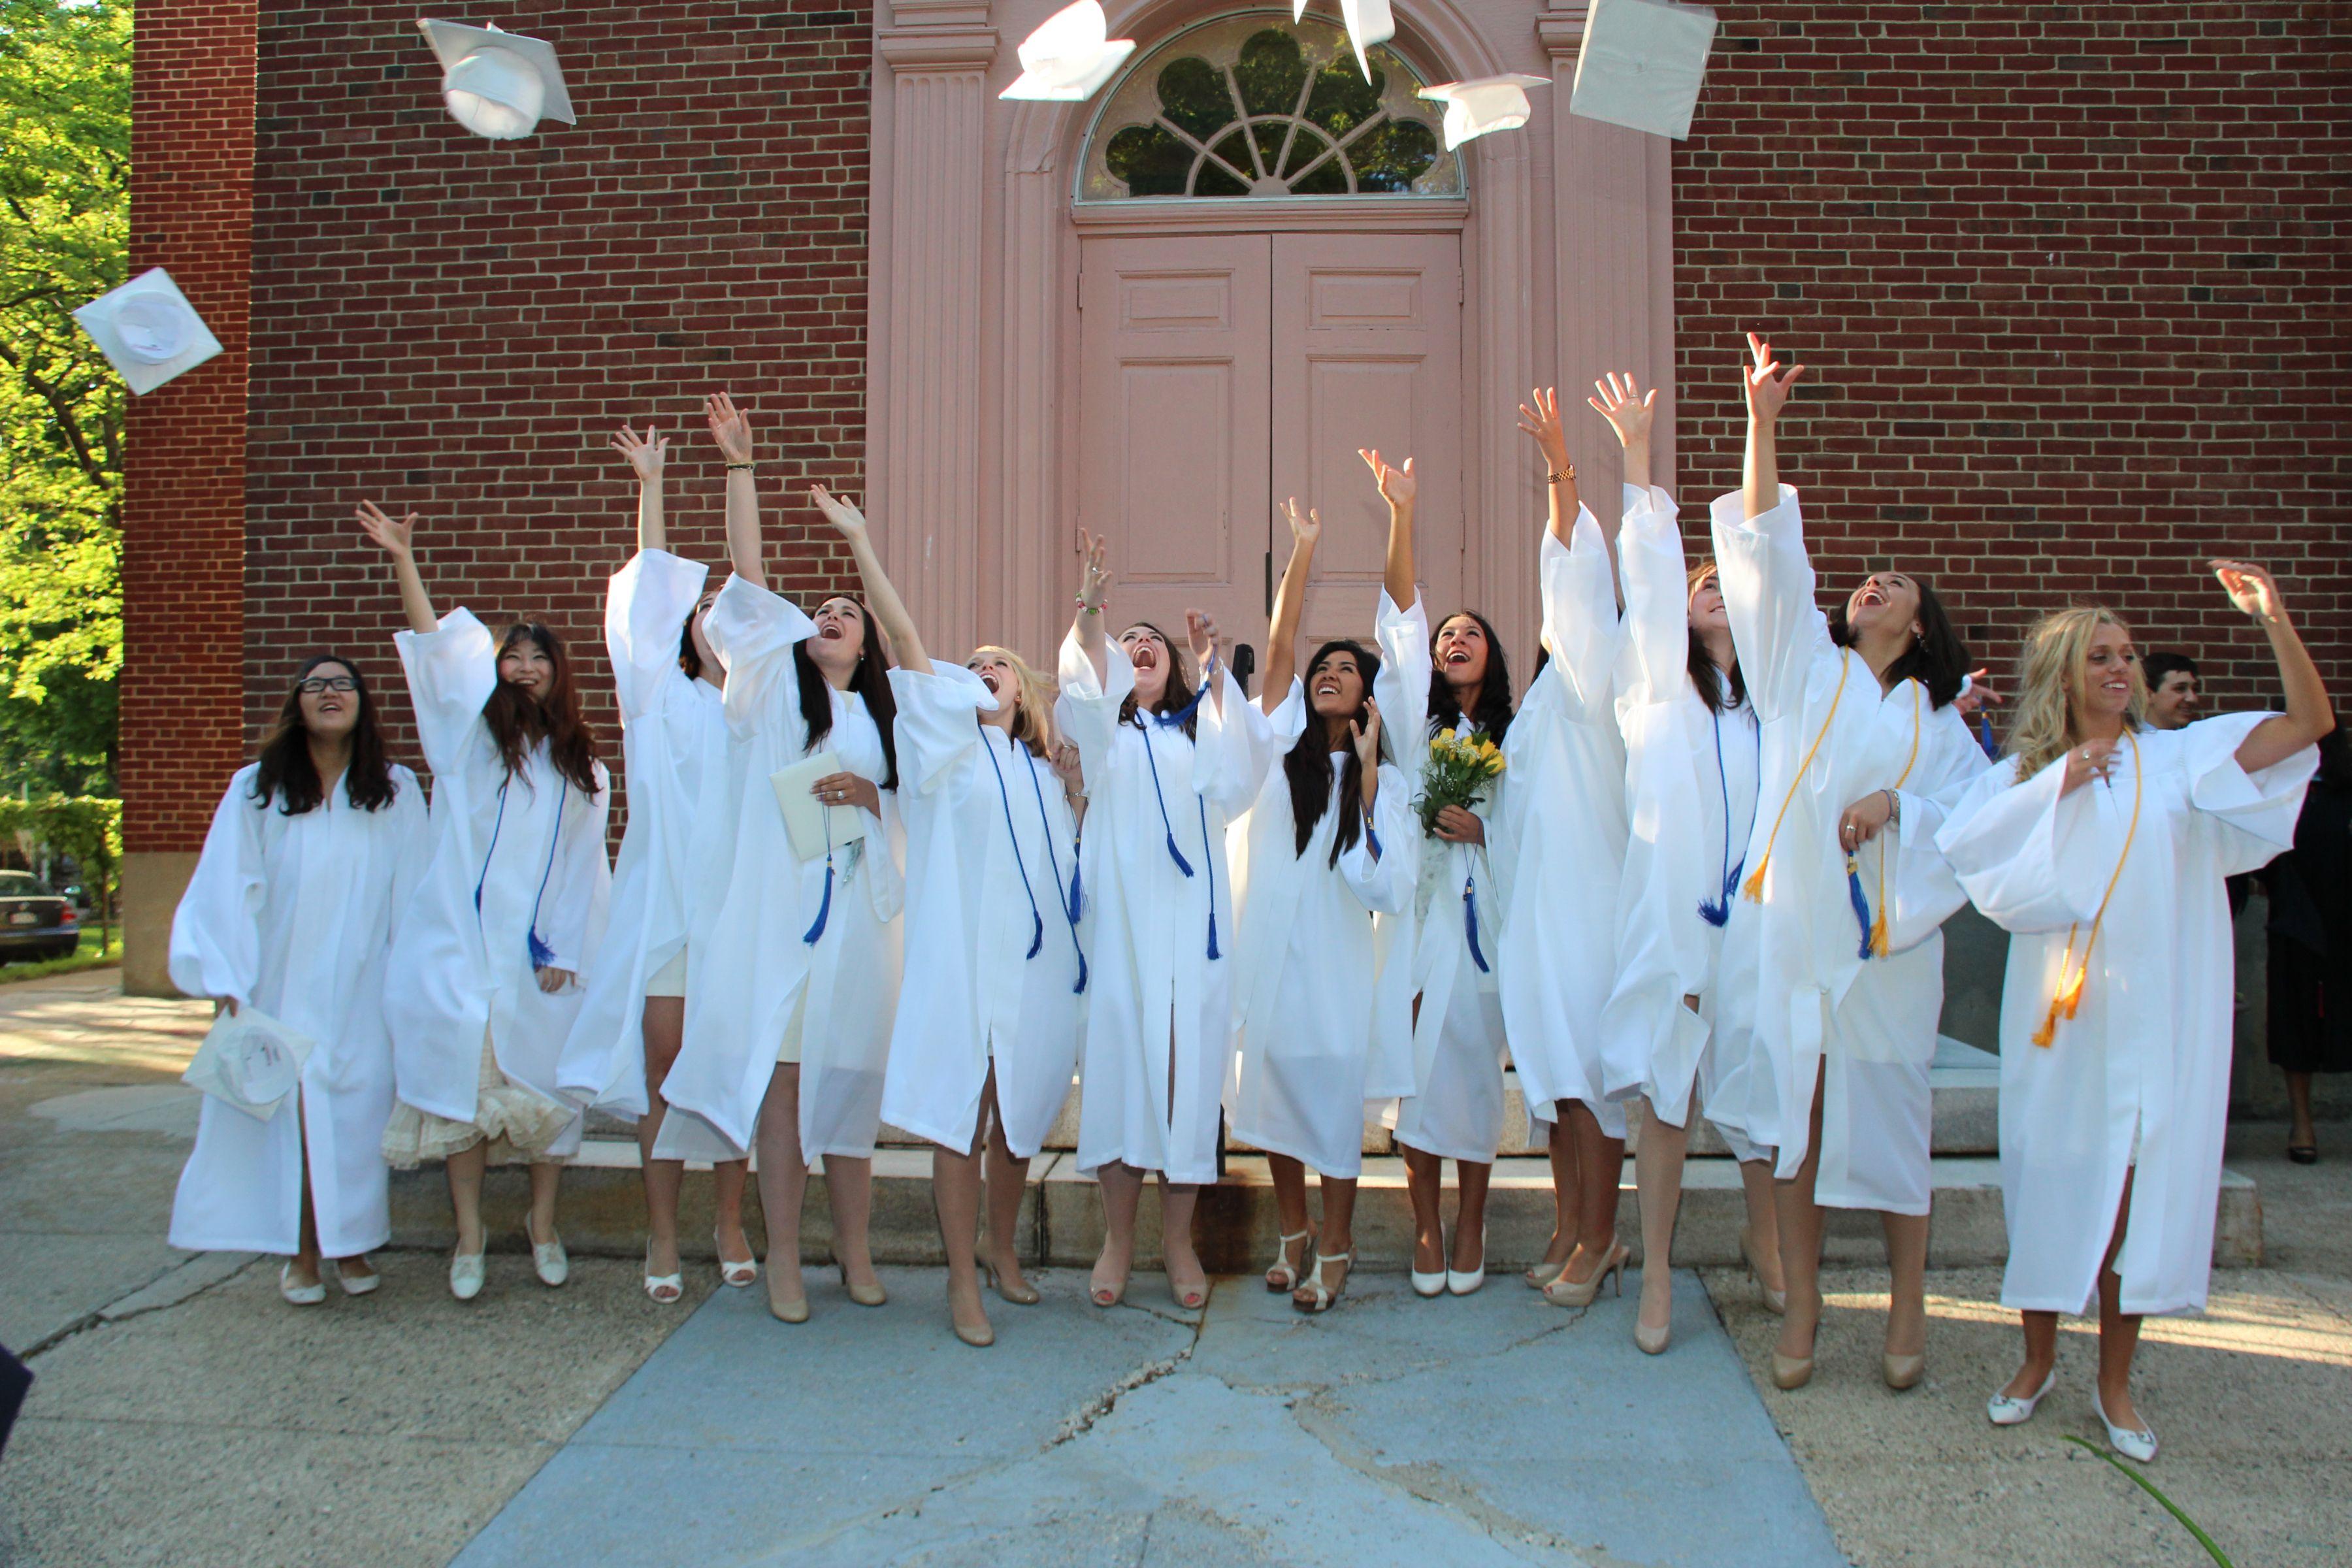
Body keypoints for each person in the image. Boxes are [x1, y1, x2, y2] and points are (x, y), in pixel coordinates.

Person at [1938, 567, 2330, 1460]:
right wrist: (2061, 783)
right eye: (2100, 657)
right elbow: (1976, 861)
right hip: (2062, 1015)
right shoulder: (2022, 773)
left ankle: (2115, 1383)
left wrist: (2275, 618)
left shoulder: (2182, 760)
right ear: (2063, 673)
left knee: (2137, 1193)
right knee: (2049, 1177)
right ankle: (2037, 1362)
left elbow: (2308, 726)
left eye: (2127, 655)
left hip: (2160, 1008)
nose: (2121, 669)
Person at [1712, 335, 1990, 1391]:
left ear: (1922, 625)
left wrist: (1897, 806)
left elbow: (1973, 820)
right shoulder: (1803, 667)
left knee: (1892, 1118)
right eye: (1869, 576)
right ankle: (1806, 1304)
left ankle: (1908, 1303)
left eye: (1897, 582)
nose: (1874, 582)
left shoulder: (1940, 725)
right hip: (1799, 928)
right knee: (1798, 1113)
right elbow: (1767, 555)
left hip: (1891, 944)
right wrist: (1762, 424)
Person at [654, 393, 905, 1325]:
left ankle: (855, 1249)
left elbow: (916, 814)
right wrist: (741, 469)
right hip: (783, 923)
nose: (832, 615)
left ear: (866, 643)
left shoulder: (882, 718)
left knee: (851, 1092)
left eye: (848, 612)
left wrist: (873, 798)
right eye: (822, 610)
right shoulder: (772, 696)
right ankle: (788, 1256)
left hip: (858, 931)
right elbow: (751, 582)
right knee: (790, 1091)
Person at [841, 489, 1087, 1348]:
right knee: (963, 1115)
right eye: (972, 662)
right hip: (966, 965)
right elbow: (907, 643)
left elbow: (1070, 876)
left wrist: (1077, 793)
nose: (983, 669)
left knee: (1018, 1118)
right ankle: (959, 1279)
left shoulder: (1043, 775)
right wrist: (863, 543)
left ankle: (1001, 1250)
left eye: (999, 664)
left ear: (1022, 689)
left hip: (1034, 973)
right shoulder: (945, 751)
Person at [359, 503, 613, 1303]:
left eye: (540, 658)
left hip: (537, 958)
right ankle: (468, 1235)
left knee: (548, 1095)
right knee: (461, 1096)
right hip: (460, 950)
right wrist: (404, 558)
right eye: (513, 656)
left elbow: (584, 866)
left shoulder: (583, 767)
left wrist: (567, 951)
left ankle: (543, 1225)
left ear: (558, 673)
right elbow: (435, 653)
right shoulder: (465, 744)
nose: (525, 668)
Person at [1586, 372, 1786, 1354]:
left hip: (1761, 917)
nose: (1704, 587)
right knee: (1669, 1092)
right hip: (1678, 913)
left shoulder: (1776, 703)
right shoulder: (1660, 688)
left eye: (1720, 582)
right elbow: (1653, 574)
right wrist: (1636, 453)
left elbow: (1769, 552)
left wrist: (1761, 424)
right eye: (1697, 581)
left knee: (1759, 1077)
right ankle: (1657, 1267)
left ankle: (1766, 1238)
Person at [554, 424, 753, 1305]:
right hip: (671, 908)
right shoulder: (657, 697)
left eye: (725, 615)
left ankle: (731, 1222)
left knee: (736, 1070)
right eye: (700, 612)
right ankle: (664, 1231)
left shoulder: (760, 711)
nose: (711, 621)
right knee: (667, 1065)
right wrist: (653, 486)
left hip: (738, 915)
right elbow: (645, 601)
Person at [168, 655, 427, 1303]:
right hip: (280, 984)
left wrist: (415, 985)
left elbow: (417, 893)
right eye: (315, 685)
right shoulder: (258, 788)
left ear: (362, 702)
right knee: (297, 1120)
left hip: (366, 987)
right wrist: (226, 978)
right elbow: (226, 884)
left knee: (357, 1121)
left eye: (343, 684)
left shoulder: (394, 790)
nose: (329, 693)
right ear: (298, 703)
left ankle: (353, 1245)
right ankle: (304, 1252)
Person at [1057, 529, 1271, 1311]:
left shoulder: (1196, 731)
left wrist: (1214, 673)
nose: (1141, 645)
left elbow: (1239, 778)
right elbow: (1081, 688)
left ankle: (1178, 1241)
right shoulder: (1104, 737)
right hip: (1123, 935)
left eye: (1154, 641)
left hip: (1191, 935)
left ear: (1171, 666)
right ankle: (1119, 1239)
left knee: (1186, 1084)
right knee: (1119, 1076)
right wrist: (1089, 610)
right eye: (1129, 640)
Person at [1230, 483, 1423, 1313]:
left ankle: (1336, 1244)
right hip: (1272, 957)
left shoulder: (1387, 784)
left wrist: (1371, 778)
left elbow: (1385, 883)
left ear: (1369, 696)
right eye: (1324, 669)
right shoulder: (1280, 750)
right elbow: (1279, 650)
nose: (1327, 676)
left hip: (1339, 969)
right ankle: (1294, 1232)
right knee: (1274, 1095)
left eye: (1346, 670)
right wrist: (1302, 551)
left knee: (1334, 1103)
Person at [1495, 387, 1635, 1314]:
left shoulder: (1599, 682)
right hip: (1538, 907)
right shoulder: (1544, 704)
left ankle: (1601, 1235)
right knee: (1557, 1078)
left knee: (1591, 1075)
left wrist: (1561, 470)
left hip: (1591, 904)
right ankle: (1570, 1223)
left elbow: (1578, 581)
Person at [1392, 572, 1524, 1296]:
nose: (1456, 640)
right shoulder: (1420, 731)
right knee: (1419, 1076)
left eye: (1471, 632)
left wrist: (1485, 831)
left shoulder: (1517, 738)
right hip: (1422, 928)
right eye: (1446, 635)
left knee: (1474, 1077)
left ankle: (1472, 1220)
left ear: (1492, 655)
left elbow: (1538, 831)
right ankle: (1426, 1226)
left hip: (1486, 933)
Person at [2263, 728, 2352, 1163]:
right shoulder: (2276, 791)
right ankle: (2302, 1123)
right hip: (2295, 922)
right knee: (2294, 1022)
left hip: (2346, 921)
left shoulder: (2344, 791)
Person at [2140, 652, 2200, 731]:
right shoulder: (2129, 738)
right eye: (2180, 689)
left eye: (2195, 689)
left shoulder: (2198, 738)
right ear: (2149, 695)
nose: (2192, 699)